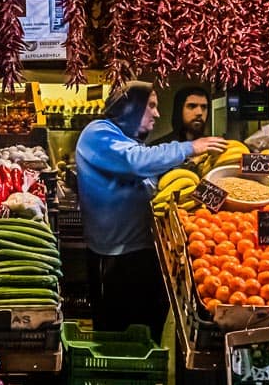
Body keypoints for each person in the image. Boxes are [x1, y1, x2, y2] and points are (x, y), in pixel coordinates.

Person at [75, 81, 226, 339]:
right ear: (130, 108)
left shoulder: (128, 141)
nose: (157, 114)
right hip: (115, 259)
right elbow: (136, 163)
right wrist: (190, 147)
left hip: (142, 253)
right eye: (151, 106)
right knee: (117, 334)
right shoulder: (98, 133)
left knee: (146, 330)